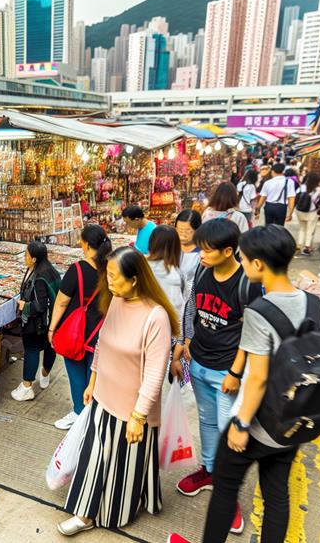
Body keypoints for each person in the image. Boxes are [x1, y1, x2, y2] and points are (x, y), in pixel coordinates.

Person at [196, 225, 320, 543]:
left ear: (258, 264)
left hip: (259, 422)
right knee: (277, 496)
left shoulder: (260, 312)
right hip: (296, 419)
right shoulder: (317, 305)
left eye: (245, 259)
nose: (243, 265)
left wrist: (241, 424)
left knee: (224, 490)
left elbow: (257, 378)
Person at [57, 247, 179, 536]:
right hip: (103, 398)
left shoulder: (155, 317)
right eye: (107, 275)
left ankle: (113, 510)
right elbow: (102, 343)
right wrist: (93, 381)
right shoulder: (116, 301)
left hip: (131, 409)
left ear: (135, 279)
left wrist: (138, 416)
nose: (108, 282)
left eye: (114, 276)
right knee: (95, 456)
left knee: (124, 465)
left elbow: (154, 373)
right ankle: (85, 513)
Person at [171, 219, 262, 535]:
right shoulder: (201, 271)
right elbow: (190, 309)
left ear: (228, 251)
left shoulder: (246, 284)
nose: (200, 254)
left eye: (207, 250)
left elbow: (252, 334)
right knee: (207, 424)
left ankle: (228, 494)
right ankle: (209, 471)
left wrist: (236, 372)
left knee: (228, 433)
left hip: (228, 372)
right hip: (200, 363)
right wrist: (184, 342)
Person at [48, 224, 112, 430]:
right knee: (94, 376)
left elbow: (61, 302)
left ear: (85, 244)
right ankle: (91, 414)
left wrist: (52, 329)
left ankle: (79, 413)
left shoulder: (77, 270)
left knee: (76, 375)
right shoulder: (111, 269)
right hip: (101, 332)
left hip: (75, 333)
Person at [12, 240, 62, 401]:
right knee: (49, 346)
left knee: (32, 349)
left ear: (34, 258)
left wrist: (24, 305)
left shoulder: (40, 277)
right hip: (52, 320)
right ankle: (45, 375)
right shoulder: (50, 270)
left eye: (26, 254)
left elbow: (40, 305)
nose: (24, 257)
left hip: (38, 323)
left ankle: (27, 387)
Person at [147, 225, 186, 332]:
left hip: (142, 325)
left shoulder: (141, 265)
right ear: (176, 247)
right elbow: (178, 308)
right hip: (164, 328)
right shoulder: (175, 275)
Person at [295, 172, 320, 256]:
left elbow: (296, 198)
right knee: (310, 230)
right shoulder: (318, 189)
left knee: (302, 228)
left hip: (300, 211)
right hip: (311, 212)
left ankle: (299, 245)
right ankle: (307, 248)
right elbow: (319, 201)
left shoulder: (302, 187)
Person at [175, 209, 202, 284]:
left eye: (187, 231)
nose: (182, 235)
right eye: (179, 231)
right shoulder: (171, 246)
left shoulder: (203, 253)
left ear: (197, 230)